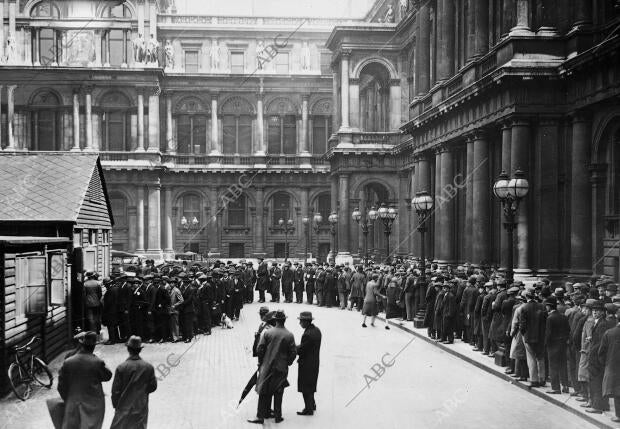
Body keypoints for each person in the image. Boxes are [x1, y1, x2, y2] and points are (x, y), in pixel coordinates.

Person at [249, 310, 297, 424]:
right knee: (278, 390)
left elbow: (259, 349)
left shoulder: (268, 333)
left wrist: (262, 362)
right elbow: (293, 353)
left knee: (263, 390)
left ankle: (261, 416)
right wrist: (288, 362)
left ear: (275, 320)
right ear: (285, 320)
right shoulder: (289, 335)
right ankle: (277, 416)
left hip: (267, 366)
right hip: (281, 367)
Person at [57, 332, 112, 429]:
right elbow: (108, 376)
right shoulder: (97, 362)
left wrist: (68, 398)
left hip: (74, 402)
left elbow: (61, 386)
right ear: (94, 346)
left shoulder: (68, 362)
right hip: (94, 404)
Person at [110, 336, 158, 429]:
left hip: (123, 406)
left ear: (128, 349)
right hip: (141, 405)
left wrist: (116, 405)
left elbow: (115, 390)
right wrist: (143, 392)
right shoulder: (148, 367)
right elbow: (153, 386)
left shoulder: (121, 367)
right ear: (140, 350)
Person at [296, 311, 322, 416]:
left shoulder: (307, 334)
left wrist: (292, 347)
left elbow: (302, 349)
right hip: (314, 361)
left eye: (301, 321)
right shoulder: (316, 330)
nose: (300, 323)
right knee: (311, 384)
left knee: (305, 386)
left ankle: (308, 409)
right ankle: (312, 404)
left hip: (306, 363)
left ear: (306, 322)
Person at [598, 305, 620, 423]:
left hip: (613, 366)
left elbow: (601, 352)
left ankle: (618, 415)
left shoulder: (610, 333)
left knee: (617, 391)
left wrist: (605, 364)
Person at [544, 296, 570, 394]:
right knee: (563, 366)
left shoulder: (550, 318)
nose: (546, 308)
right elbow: (568, 330)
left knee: (553, 366)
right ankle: (565, 386)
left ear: (550, 307)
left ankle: (555, 388)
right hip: (562, 344)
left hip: (553, 345)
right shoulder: (563, 316)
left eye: (547, 306)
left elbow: (548, 334)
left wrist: (546, 344)